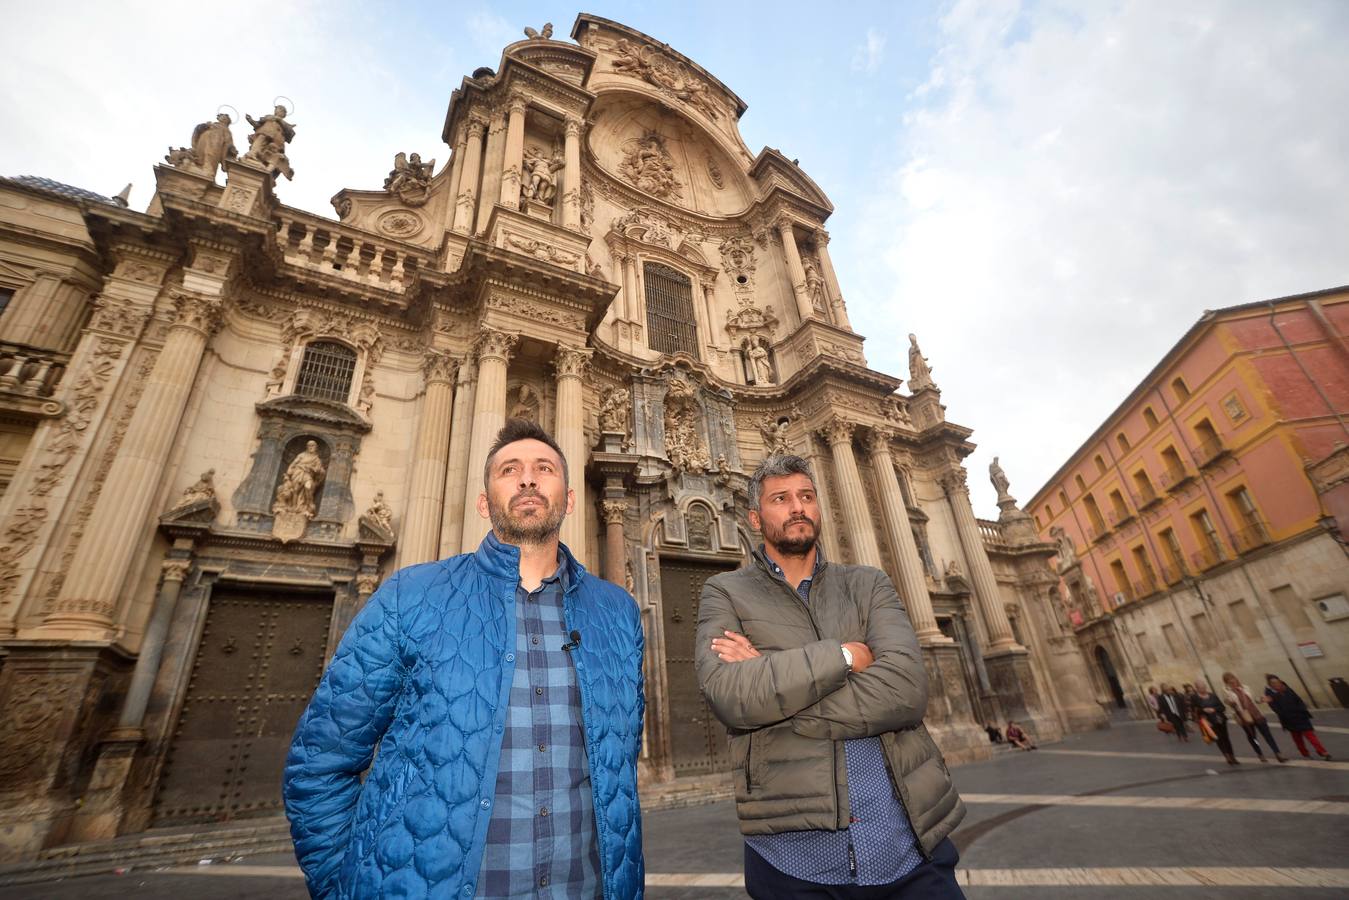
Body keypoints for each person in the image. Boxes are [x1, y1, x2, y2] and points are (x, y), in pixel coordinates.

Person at [283, 419, 646, 898]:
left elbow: (616, 759)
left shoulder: (617, 612)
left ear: (569, 499)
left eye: (544, 468)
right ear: (483, 502)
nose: (528, 479)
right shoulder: (410, 595)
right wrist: (343, 884)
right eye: (509, 469)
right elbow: (320, 761)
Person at [695, 454, 965, 899]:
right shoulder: (724, 592)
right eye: (780, 499)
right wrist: (844, 656)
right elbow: (729, 696)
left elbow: (906, 690)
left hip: (909, 846)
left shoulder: (869, 584)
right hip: (793, 862)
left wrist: (775, 691)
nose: (797, 507)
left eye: (806, 496)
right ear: (755, 518)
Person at [1222, 672, 1287, 763]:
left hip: (1256, 713)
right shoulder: (1228, 693)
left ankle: (1278, 753)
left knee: (1267, 734)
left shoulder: (1246, 688)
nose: (1233, 682)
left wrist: (1260, 700)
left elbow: (1253, 699)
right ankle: (1259, 753)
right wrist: (1229, 699)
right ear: (1227, 683)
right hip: (1245, 717)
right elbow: (1229, 703)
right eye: (1230, 681)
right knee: (1252, 736)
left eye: (1234, 679)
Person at [1265, 674, 1332, 760]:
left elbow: (1298, 699)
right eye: (1273, 683)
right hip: (1289, 719)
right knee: (1297, 738)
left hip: (1300, 715)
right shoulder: (1269, 694)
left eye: (1277, 682)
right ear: (1270, 684)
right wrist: (1284, 714)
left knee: (1310, 735)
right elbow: (1274, 707)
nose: (1276, 684)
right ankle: (1305, 753)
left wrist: (1302, 709)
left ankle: (1323, 752)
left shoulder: (1286, 688)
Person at [1192, 682, 1240, 765]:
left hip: (1220, 719)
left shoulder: (1213, 695)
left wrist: (1214, 709)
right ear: (1197, 688)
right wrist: (1204, 710)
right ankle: (1227, 756)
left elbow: (1222, 707)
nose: (1203, 689)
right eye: (1201, 687)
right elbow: (1195, 711)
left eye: (1204, 687)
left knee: (1226, 738)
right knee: (1218, 738)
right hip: (1209, 721)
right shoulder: (1195, 698)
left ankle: (1232, 756)